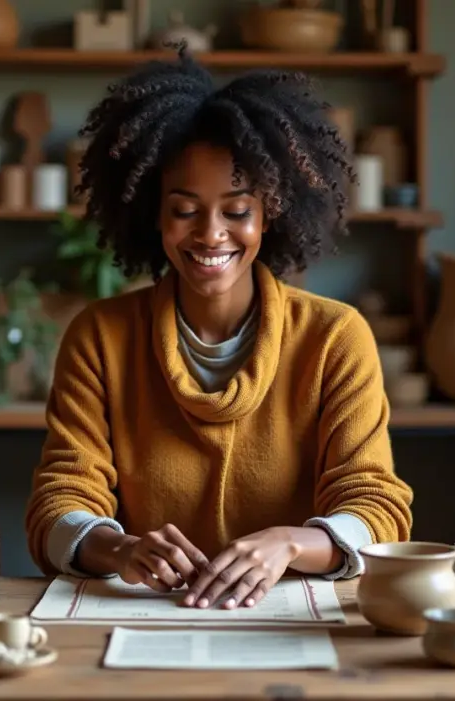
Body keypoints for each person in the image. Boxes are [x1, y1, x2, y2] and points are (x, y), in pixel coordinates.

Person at [25, 49, 413, 611]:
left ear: (271, 214)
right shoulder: (100, 338)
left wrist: (289, 544)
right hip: (147, 613)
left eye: (236, 211)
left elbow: (377, 508)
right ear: (152, 213)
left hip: (291, 616)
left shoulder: (334, 337)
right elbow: (58, 502)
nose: (211, 234)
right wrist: (119, 549)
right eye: (185, 209)